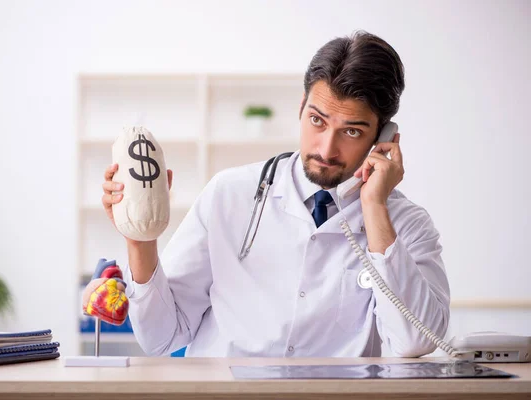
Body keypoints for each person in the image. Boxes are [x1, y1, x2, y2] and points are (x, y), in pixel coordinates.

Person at [89, 31, 450, 357]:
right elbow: (161, 338)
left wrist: (374, 207)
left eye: (352, 132)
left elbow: (414, 341)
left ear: (383, 137)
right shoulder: (229, 193)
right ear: (301, 107)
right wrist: (140, 240)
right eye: (317, 120)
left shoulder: (406, 224)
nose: (327, 148)